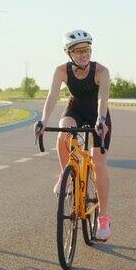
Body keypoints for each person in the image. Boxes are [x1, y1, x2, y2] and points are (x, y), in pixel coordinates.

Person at [35, 29, 113, 241]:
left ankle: (103, 218)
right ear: (68, 53)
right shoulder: (61, 71)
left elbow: (102, 99)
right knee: (63, 133)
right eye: (77, 51)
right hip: (75, 109)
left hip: (98, 114)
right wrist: (43, 120)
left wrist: (100, 120)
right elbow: (52, 96)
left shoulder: (101, 71)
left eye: (86, 49)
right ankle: (65, 175)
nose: (83, 54)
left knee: (98, 163)